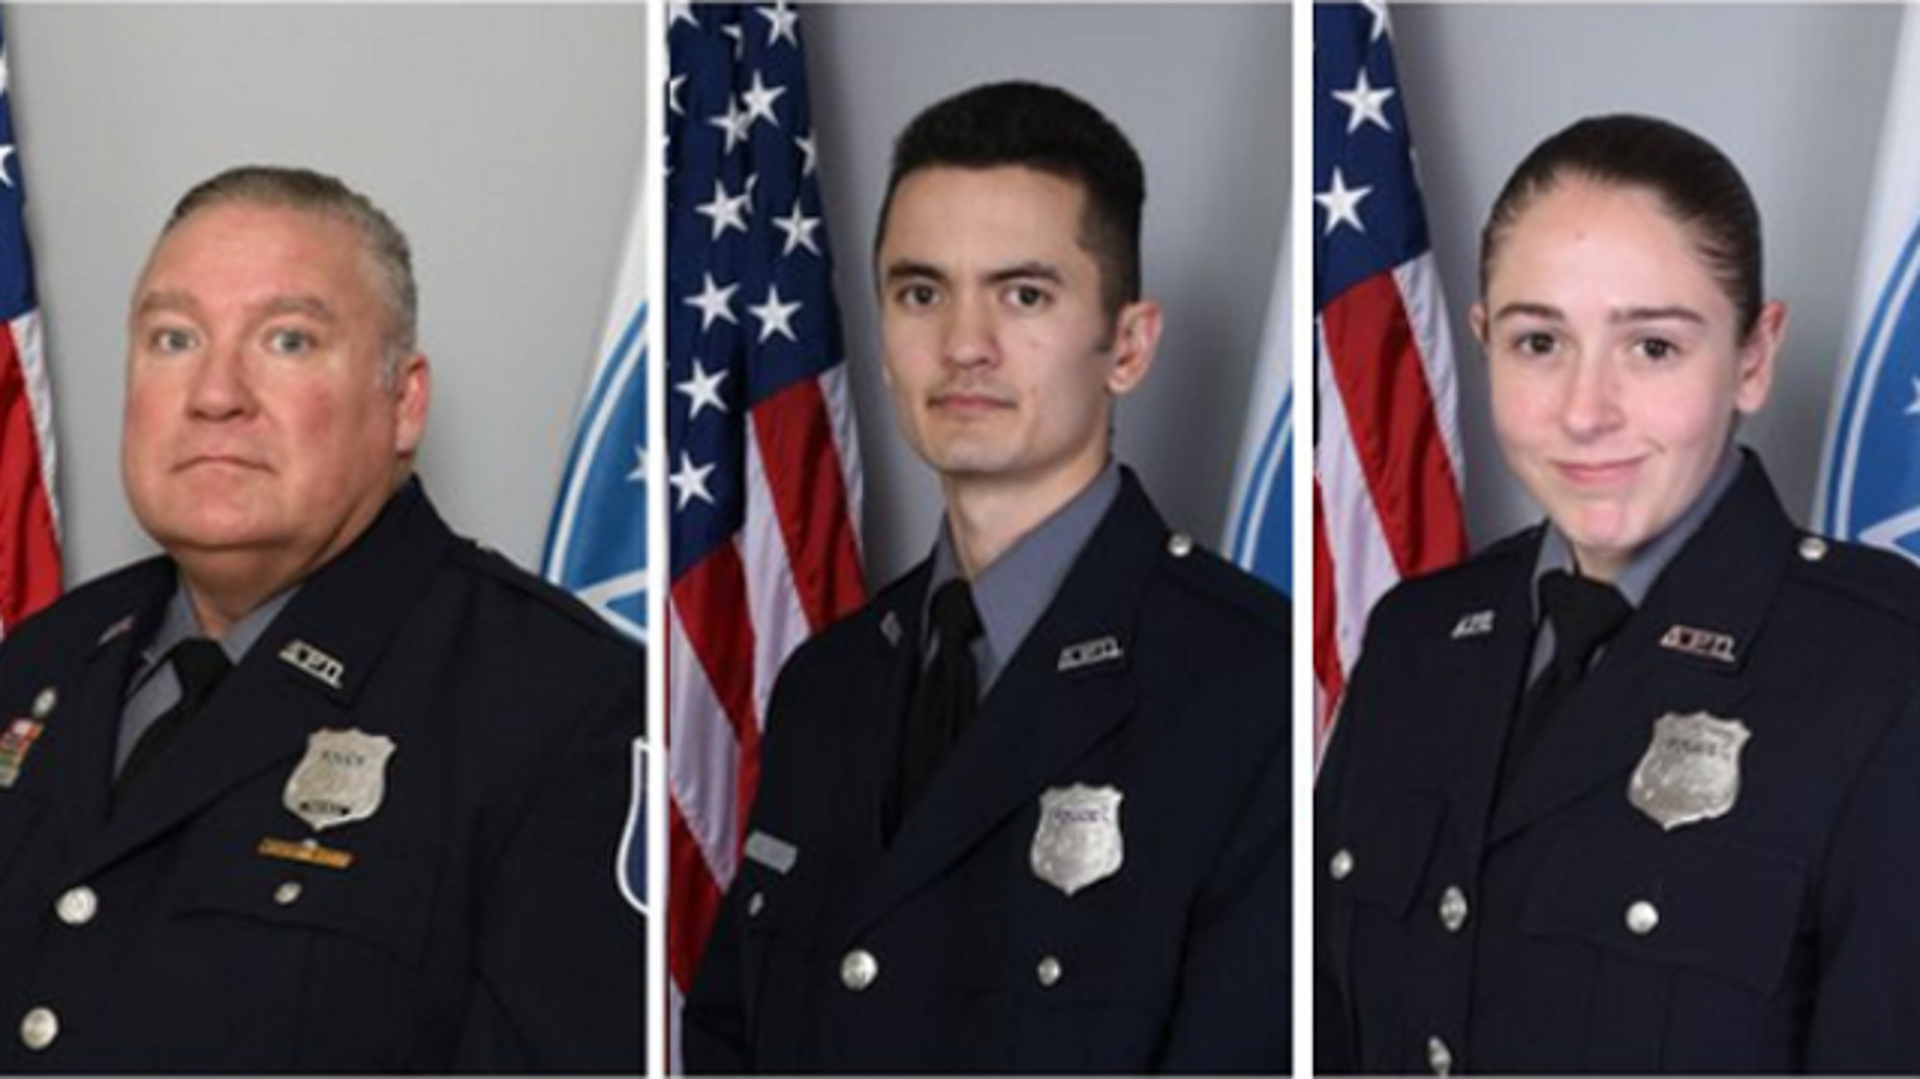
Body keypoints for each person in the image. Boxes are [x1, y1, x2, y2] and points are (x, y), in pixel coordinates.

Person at [682, 81, 1291, 1073]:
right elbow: (727, 1038)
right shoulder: (824, 686)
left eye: (1024, 294)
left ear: (1128, 345)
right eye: (921, 292)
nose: (964, 344)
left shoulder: (1247, 690)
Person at [0, 167, 643, 1073]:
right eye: (173, 337)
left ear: (404, 402)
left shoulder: (558, 707)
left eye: (288, 340)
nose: (215, 392)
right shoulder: (40, 660)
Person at [1315, 114, 1920, 1074]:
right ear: (1483, 342)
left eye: (1652, 348)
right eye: (1539, 342)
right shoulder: (1416, 638)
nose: (1585, 411)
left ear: (1754, 356)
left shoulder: (1886, 675)